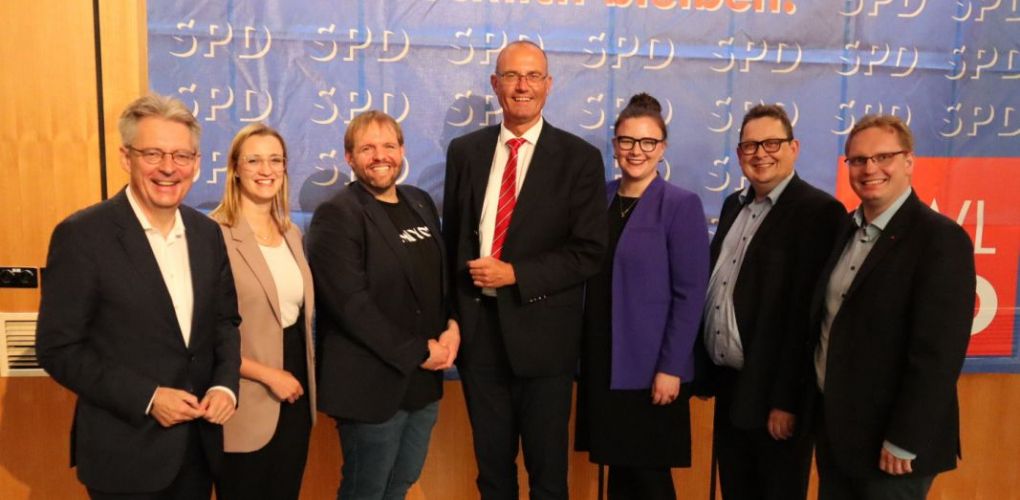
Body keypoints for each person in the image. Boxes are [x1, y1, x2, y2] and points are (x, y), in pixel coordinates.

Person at [36, 93, 241, 499]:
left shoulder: (207, 234)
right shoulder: (82, 236)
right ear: (125, 157)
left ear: (197, 163)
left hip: (198, 451)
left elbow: (225, 323)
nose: (168, 167)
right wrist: (148, 398)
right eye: (153, 154)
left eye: (181, 155)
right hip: (124, 454)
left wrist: (225, 386)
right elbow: (59, 349)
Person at [442, 40, 607, 500]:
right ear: (495, 84)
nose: (522, 86)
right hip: (480, 339)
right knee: (492, 475)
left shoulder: (579, 158)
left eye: (533, 76)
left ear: (548, 85)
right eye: (513, 76)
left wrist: (517, 274)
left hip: (545, 342)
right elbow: (453, 243)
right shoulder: (465, 152)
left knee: (547, 477)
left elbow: (589, 251)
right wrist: (453, 319)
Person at [810, 115, 975, 500]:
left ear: (909, 162)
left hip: (894, 448)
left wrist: (905, 439)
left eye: (883, 157)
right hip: (838, 435)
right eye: (858, 160)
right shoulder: (845, 231)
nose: (870, 169)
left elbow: (938, 354)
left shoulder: (940, 239)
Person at [694, 104, 847, 499]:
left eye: (772, 143)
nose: (761, 153)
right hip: (732, 388)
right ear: (739, 153)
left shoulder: (819, 212)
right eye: (750, 146)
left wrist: (787, 401)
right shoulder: (734, 205)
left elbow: (807, 317)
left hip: (776, 398)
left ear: (794, 148)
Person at [307, 110, 460, 500]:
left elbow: (439, 280)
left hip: (422, 383)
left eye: (389, 146)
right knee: (367, 491)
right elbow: (351, 305)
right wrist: (419, 351)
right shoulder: (337, 214)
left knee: (401, 482)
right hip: (370, 387)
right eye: (367, 148)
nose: (380, 156)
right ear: (349, 157)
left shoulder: (420, 202)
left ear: (402, 151)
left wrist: (453, 325)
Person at [574, 93, 709, 500]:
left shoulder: (681, 205)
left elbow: (690, 295)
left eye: (648, 142)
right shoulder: (599, 199)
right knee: (620, 474)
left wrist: (671, 367)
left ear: (662, 148)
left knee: (649, 478)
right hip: (604, 362)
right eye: (627, 141)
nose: (637, 151)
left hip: (651, 368)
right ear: (615, 145)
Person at [210, 123, 316, 500]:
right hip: (242, 396)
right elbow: (203, 332)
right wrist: (268, 375)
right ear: (235, 168)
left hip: (295, 395)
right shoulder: (213, 234)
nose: (266, 170)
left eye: (275, 160)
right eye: (254, 160)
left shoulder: (292, 234)